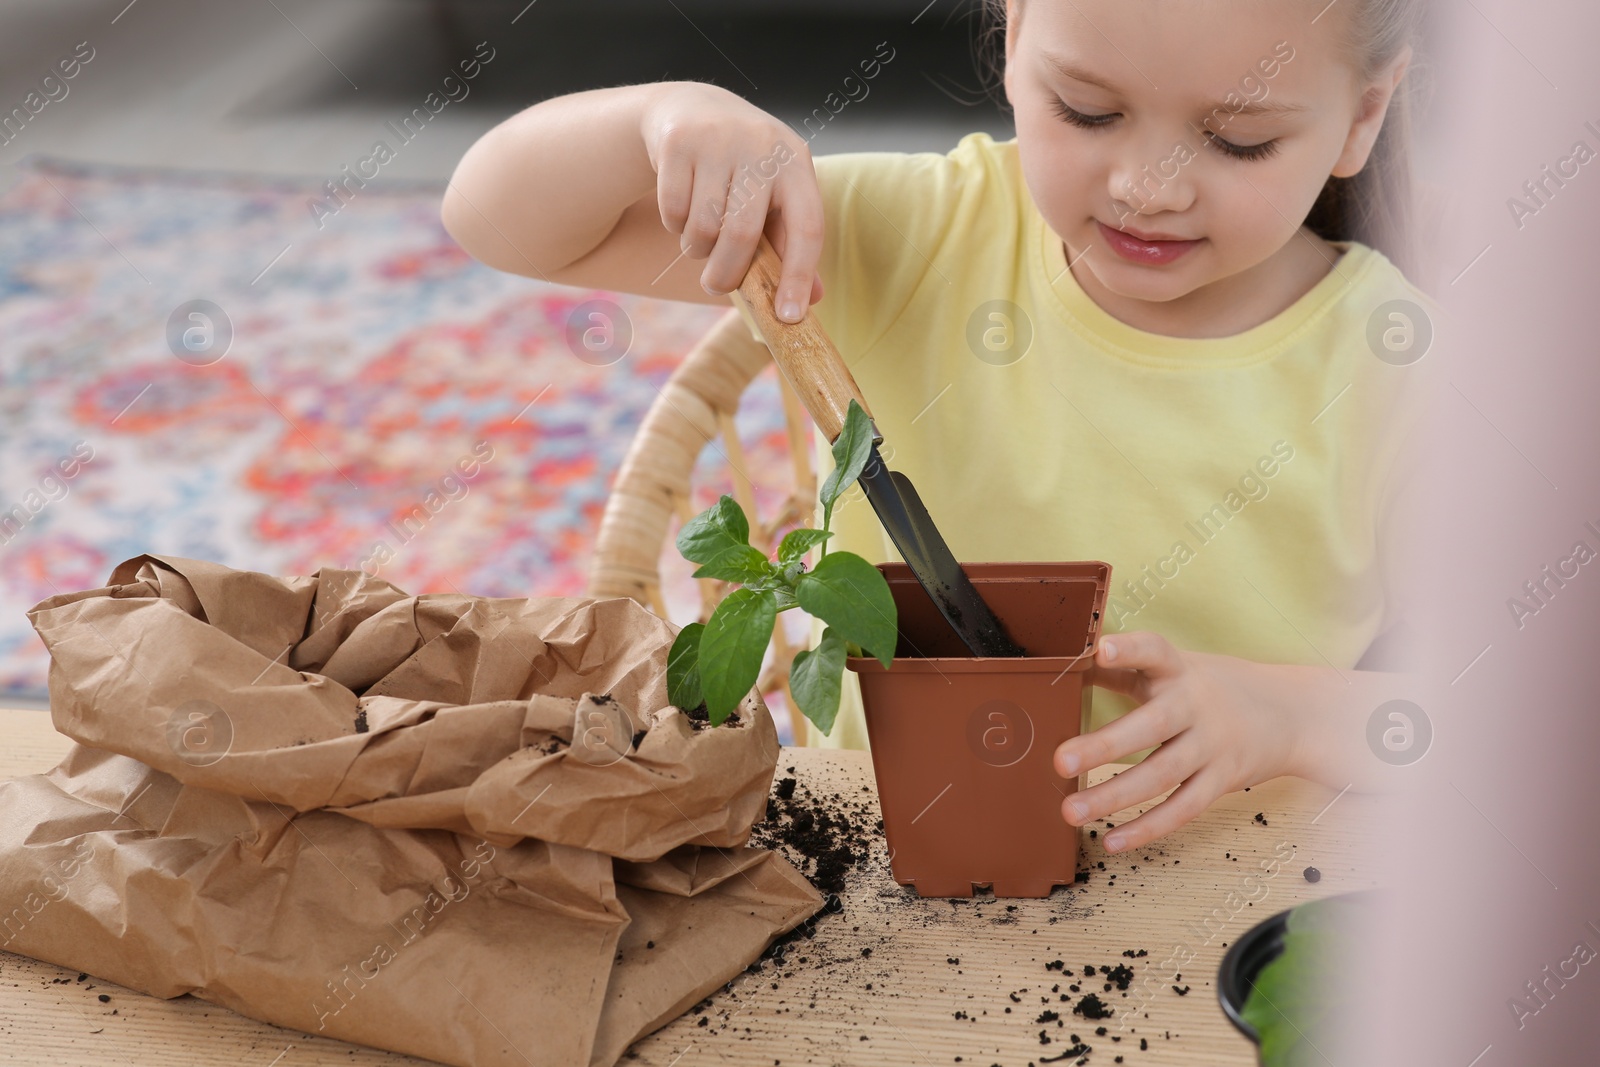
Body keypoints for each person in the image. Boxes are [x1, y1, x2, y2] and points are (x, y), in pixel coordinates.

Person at [442, 0, 1432, 855]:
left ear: (1363, 115)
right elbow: (495, 216)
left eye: (1236, 139)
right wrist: (659, 120)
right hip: (890, 891)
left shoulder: (1403, 367)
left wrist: (1293, 716)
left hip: (1222, 931)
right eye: (1087, 110)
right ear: (1012, 39)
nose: (1147, 187)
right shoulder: (918, 234)